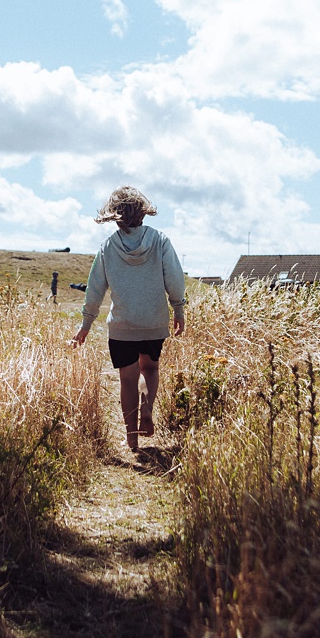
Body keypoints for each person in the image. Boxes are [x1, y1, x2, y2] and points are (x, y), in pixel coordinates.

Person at [71, 186, 185, 452]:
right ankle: (147, 409)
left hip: (122, 327)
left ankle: (132, 439)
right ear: (143, 212)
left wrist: (85, 324)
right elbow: (175, 280)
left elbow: (95, 288)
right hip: (154, 321)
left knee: (127, 378)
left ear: (114, 215)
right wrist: (178, 309)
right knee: (151, 369)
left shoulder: (108, 247)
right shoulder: (160, 241)